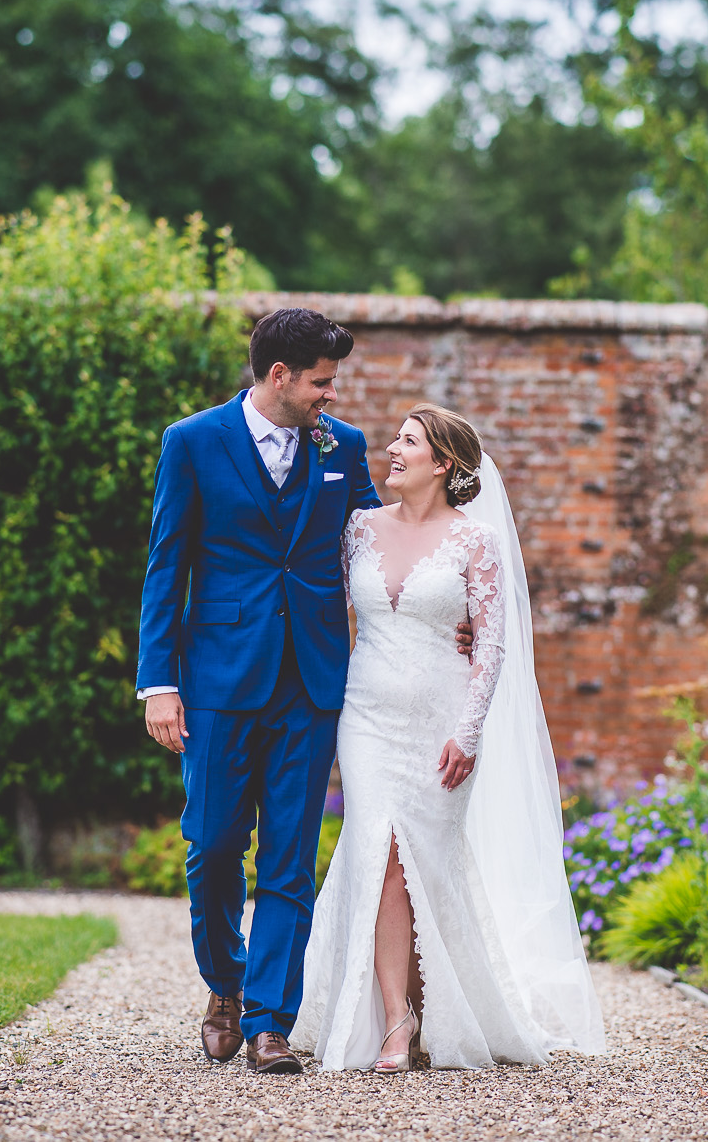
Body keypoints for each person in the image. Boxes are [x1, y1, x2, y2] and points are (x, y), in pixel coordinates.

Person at [136, 309, 469, 1074]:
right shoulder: (191, 442)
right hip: (217, 676)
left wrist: (446, 605)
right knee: (214, 842)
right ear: (279, 376)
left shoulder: (341, 445)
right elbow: (166, 562)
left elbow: (380, 537)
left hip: (314, 680)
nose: (332, 395)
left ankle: (267, 1021)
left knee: (289, 854)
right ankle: (224, 982)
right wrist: (160, 682)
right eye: (322, 381)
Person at [292, 404, 606, 1072]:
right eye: (396, 438)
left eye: (408, 441)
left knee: (416, 864)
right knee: (379, 857)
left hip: (443, 722)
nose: (392, 448)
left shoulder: (475, 541)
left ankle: (433, 1003)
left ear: (444, 463)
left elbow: (490, 642)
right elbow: (320, 608)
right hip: (367, 715)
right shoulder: (356, 529)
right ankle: (396, 1019)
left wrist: (467, 730)